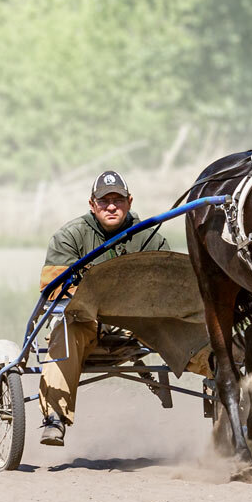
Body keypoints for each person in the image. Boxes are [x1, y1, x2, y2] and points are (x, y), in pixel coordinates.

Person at [37, 171, 170, 446]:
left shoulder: (147, 236)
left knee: (184, 322)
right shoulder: (70, 237)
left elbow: (169, 283)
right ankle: (55, 418)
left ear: (129, 202)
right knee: (63, 328)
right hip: (85, 323)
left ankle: (224, 374)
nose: (112, 206)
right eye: (104, 200)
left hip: (137, 323)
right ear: (92, 203)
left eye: (118, 200)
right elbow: (53, 290)